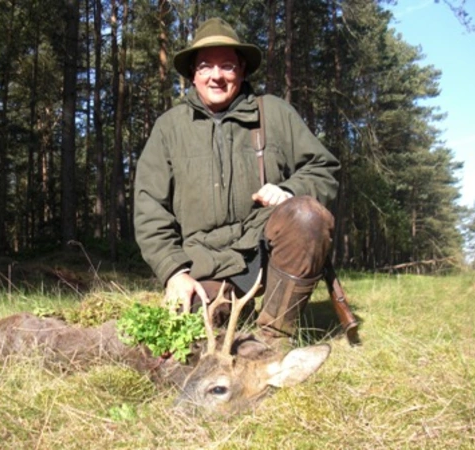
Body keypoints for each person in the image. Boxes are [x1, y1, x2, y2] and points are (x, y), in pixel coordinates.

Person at [134, 18, 340, 351]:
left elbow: (323, 168)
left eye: (227, 66)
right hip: (202, 260)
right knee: (188, 345)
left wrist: (290, 190)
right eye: (205, 67)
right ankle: (229, 307)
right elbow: (149, 209)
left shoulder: (274, 113)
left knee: (306, 215)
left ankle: (275, 338)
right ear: (192, 75)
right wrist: (173, 272)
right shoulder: (168, 128)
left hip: (264, 251)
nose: (217, 75)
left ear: (241, 71)